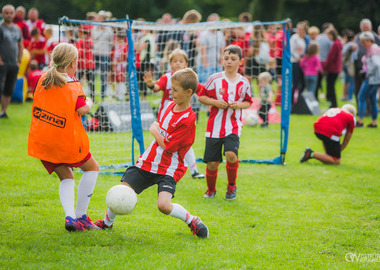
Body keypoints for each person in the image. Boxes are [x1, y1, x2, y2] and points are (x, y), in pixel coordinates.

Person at [95, 68, 209, 238]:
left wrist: (154, 130)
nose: (171, 93)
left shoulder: (188, 119)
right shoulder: (170, 105)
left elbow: (169, 146)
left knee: (163, 205)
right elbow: (163, 132)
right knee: (122, 191)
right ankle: (106, 223)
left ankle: (192, 220)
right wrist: (158, 131)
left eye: (175, 90)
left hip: (169, 168)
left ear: (188, 92)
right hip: (148, 162)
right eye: (170, 88)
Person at [28, 43, 100, 231]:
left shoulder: (43, 78)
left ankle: (70, 218)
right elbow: (82, 109)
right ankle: (81, 216)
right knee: (92, 168)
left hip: (42, 141)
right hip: (65, 141)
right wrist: (91, 101)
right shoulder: (73, 84)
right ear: (73, 63)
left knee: (66, 176)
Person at [198, 45, 253, 200]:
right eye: (226, 58)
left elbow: (249, 102)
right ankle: (211, 189)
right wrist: (215, 102)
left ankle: (231, 187)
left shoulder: (244, 82)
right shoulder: (215, 79)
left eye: (233, 59)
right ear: (222, 60)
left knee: (231, 155)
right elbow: (201, 97)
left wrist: (239, 105)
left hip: (233, 126)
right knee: (212, 163)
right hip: (214, 127)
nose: (229, 62)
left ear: (240, 62)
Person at [143, 48, 205, 179]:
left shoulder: (189, 80)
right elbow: (156, 87)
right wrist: (150, 85)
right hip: (166, 118)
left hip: (182, 119)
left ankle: (193, 170)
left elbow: (202, 91)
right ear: (170, 64)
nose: (178, 64)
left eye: (181, 61)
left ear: (186, 64)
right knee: (162, 144)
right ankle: (157, 168)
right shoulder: (166, 77)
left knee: (184, 144)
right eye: (175, 61)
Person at [0, 4, 23, 119]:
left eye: (11, 13)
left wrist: (19, 60)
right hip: (2, 63)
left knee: (9, 89)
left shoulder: (17, 29)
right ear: (2, 14)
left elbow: (20, 45)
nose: (9, 15)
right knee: (0, 88)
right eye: (6, 13)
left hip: (13, 64)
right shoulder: (0, 28)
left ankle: (3, 112)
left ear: (14, 14)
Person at [356, 31, 380, 128]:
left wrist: (368, 73)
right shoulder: (374, 49)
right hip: (376, 79)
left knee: (361, 97)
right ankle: (374, 122)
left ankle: (360, 121)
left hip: (372, 79)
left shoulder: (373, 50)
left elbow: (376, 64)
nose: (362, 44)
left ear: (370, 40)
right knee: (372, 99)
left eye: (364, 42)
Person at [197, 13, 226, 84]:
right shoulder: (204, 34)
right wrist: (205, 66)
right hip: (205, 66)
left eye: (215, 21)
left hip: (217, 65)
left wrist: (221, 64)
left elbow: (222, 50)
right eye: (212, 21)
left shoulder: (220, 34)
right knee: (205, 84)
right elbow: (203, 51)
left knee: (217, 84)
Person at [290, 21, 307, 105]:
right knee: (295, 82)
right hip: (295, 62)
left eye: (301, 29)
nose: (299, 30)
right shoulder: (294, 38)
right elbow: (292, 50)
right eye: (298, 28)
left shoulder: (303, 39)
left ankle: (299, 100)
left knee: (303, 83)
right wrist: (298, 58)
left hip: (302, 63)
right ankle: (292, 102)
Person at [341, 29, 356, 102]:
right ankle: (350, 97)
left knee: (346, 81)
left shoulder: (345, 45)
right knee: (351, 82)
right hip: (350, 66)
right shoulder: (351, 45)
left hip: (345, 65)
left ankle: (344, 96)